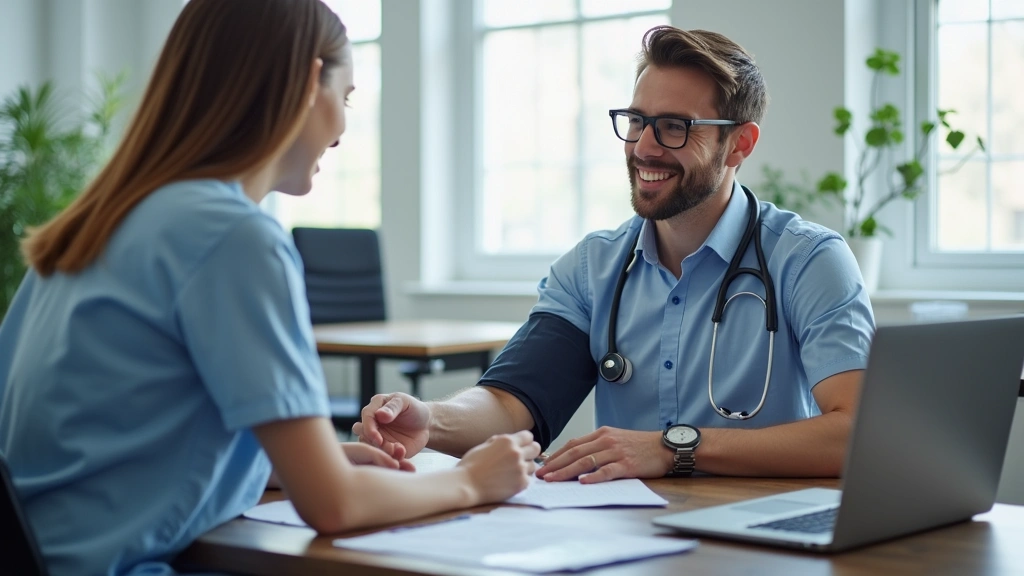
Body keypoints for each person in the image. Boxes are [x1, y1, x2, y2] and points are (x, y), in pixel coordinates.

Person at [0, 1, 539, 575]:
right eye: (348, 96)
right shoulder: (232, 234)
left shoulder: (93, 225)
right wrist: (469, 481)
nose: (343, 128)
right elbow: (335, 505)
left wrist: (283, 464)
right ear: (309, 81)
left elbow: (109, 444)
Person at [354, 25, 874, 484]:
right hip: (629, 534)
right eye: (636, 120)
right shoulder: (592, 268)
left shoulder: (808, 261)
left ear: (739, 144)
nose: (645, 147)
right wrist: (429, 418)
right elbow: (515, 401)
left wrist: (673, 448)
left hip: (762, 534)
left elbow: (858, 433)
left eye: (676, 127)